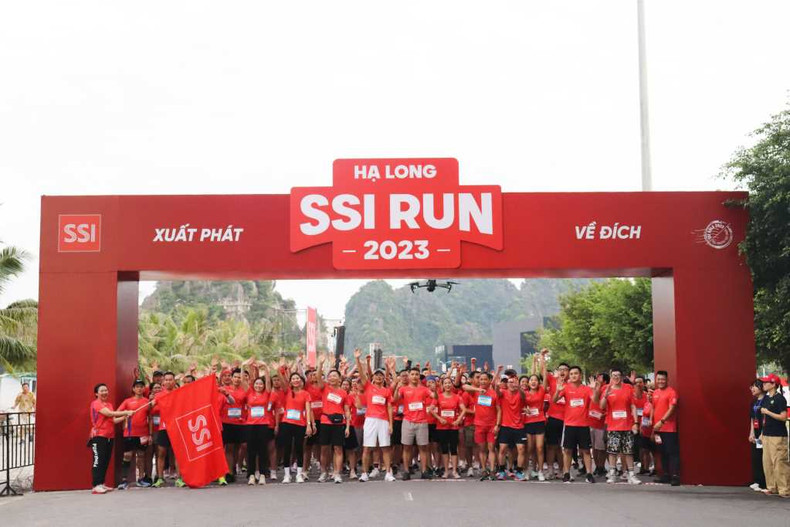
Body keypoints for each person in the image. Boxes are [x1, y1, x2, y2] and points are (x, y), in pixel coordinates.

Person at [356, 352, 396, 482]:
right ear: (373, 377)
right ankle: (364, 473)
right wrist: (357, 359)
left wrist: (390, 424)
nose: (379, 377)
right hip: (371, 420)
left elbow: (389, 407)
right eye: (377, 375)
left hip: (383, 420)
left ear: (384, 378)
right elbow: (362, 374)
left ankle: (388, 473)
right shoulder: (368, 387)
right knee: (367, 447)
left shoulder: (387, 391)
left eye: (381, 376)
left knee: (385, 447)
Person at [597, 368, 641, 484]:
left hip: (627, 425)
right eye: (613, 375)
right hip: (613, 426)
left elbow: (633, 406)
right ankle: (612, 474)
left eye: (618, 375)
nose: (616, 377)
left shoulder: (628, 388)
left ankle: (631, 475)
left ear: (621, 377)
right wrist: (605, 396)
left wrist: (636, 423)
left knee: (628, 451)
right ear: (611, 377)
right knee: (612, 452)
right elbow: (601, 406)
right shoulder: (606, 389)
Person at [88, 383, 133, 494]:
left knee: (105, 461)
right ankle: (96, 485)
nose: (104, 393)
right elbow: (108, 414)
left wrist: (124, 417)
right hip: (99, 436)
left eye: (106, 390)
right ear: (96, 393)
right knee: (98, 461)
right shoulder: (96, 404)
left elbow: (112, 420)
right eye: (102, 391)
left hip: (109, 436)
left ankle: (101, 483)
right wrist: (126, 411)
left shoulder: (109, 404)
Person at [553, 366, 596, 483]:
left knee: (586, 451)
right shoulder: (565, 388)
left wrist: (594, 389)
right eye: (571, 374)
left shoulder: (587, 389)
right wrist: (557, 390)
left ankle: (589, 473)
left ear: (580, 375)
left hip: (583, 425)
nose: (573, 376)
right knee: (567, 450)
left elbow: (595, 400)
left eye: (575, 373)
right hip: (570, 424)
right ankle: (566, 472)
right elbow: (554, 400)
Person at [316, 356, 352, 484]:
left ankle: (337, 473)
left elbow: (347, 410)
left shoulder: (343, 393)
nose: (332, 377)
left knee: (338, 449)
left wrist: (347, 426)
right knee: (324, 449)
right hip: (325, 421)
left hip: (339, 423)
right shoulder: (324, 388)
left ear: (339, 378)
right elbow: (318, 377)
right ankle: (324, 472)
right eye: (330, 376)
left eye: (334, 376)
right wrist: (320, 364)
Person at [393, 367, 433, 480]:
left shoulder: (424, 389)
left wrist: (433, 394)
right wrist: (397, 388)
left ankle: (424, 471)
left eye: (416, 374)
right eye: (412, 374)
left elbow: (434, 397)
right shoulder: (404, 389)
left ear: (419, 376)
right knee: (406, 447)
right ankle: (406, 471)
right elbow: (395, 399)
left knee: (423, 447)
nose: (414, 376)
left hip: (422, 422)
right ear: (409, 376)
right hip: (408, 421)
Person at [277, 372, 314, 483]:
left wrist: (309, 425)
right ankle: (287, 475)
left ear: (301, 381)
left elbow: (308, 410)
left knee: (299, 449)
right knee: (287, 448)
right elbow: (282, 381)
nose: (296, 380)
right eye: (293, 378)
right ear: (291, 381)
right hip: (286, 423)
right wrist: (279, 370)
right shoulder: (287, 391)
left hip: (300, 424)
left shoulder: (306, 394)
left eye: (297, 378)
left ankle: (299, 474)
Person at [151, 372, 185, 488]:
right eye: (166, 380)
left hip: (177, 427)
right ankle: (160, 478)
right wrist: (151, 403)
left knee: (177, 454)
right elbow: (151, 407)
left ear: (174, 381)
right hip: (164, 427)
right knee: (161, 453)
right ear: (163, 382)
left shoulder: (180, 393)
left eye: (171, 379)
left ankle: (179, 478)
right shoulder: (159, 395)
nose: (168, 382)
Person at [116, 380, 152, 489]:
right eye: (137, 387)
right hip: (129, 433)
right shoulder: (127, 402)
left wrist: (150, 434)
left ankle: (140, 479)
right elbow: (117, 413)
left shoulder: (147, 402)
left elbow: (150, 419)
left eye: (141, 387)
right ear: (133, 389)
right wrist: (126, 415)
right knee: (127, 455)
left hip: (143, 434)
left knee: (141, 456)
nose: (139, 389)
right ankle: (124, 480)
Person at [758, 374, 790, 497]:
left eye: (766, 383)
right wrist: (762, 433)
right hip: (767, 434)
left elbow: (783, 417)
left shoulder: (780, 399)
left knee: (779, 462)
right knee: (767, 462)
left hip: (778, 435)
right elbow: (765, 419)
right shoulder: (766, 399)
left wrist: (768, 412)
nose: (764, 385)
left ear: (773, 384)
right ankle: (771, 486)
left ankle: (784, 489)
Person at [431, 377, 467, 479]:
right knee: (444, 449)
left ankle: (455, 471)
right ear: (442, 385)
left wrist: (459, 420)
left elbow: (463, 410)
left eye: (449, 383)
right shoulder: (438, 397)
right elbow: (431, 410)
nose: (447, 385)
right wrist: (439, 418)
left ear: (452, 385)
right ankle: (446, 471)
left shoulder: (457, 397)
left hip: (453, 427)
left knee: (454, 449)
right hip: (442, 427)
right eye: (445, 383)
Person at [542, 350, 569, 480]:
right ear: (558, 371)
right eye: (561, 369)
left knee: (563, 447)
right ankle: (551, 469)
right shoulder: (553, 380)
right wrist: (542, 357)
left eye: (565, 369)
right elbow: (543, 372)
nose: (563, 371)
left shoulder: (571, 384)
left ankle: (563, 470)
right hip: (553, 418)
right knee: (551, 446)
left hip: (567, 420)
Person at [219, 368, 248, 482]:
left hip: (240, 422)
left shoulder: (244, 390)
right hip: (227, 421)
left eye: (239, 377)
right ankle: (229, 472)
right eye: (234, 377)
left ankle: (234, 467)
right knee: (229, 447)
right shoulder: (224, 389)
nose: (236, 379)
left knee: (238, 447)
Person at [651, 370, 679, 486]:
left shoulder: (672, 392)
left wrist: (662, 421)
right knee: (662, 452)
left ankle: (675, 476)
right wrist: (653, 425)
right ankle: (666, 474)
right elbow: (654, 408)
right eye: (659, 379)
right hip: (658, 429)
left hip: (669, 429)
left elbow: (672, 408)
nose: (661, 381)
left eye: (663, 379)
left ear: (667, 380)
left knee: (671, 452)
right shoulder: (655, 392)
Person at [245, 366, 272, 485]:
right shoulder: (249, 392)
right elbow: (244, 380)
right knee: (251, 451)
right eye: (256, 384)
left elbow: (267, 380)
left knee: (263, 451)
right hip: (250, 425)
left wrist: (266, 369)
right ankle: (251, 475)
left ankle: (262, 474)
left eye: (261, 384)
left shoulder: (267, 393)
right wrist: (243, 366)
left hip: (263, 425)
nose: (258, 386)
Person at [496, 376, 527, 480]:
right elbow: (497, 391)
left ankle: (518, 471)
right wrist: (497, 377)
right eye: (509, 382)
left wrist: (518, 387)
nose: (511, 384)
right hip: (505, 426)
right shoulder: (503, 392)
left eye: (513, 382)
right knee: (503, 449)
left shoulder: (520, 392)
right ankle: (501, 470)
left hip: (519, 427)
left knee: (521, 449)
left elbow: (523, 396)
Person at [748, 379, 766, 492]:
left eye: (754, 386)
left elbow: (766, 419)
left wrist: (762, 434)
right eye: (751, 387)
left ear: (761, 387)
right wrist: (751, 433)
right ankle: (758, 480)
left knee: (764, 457)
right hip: (756, 432)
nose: (752, 389)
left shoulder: (766, 401)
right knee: (756, 456)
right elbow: (752, 418)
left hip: (764, 434)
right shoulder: (753, 402)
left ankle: (764, 482)